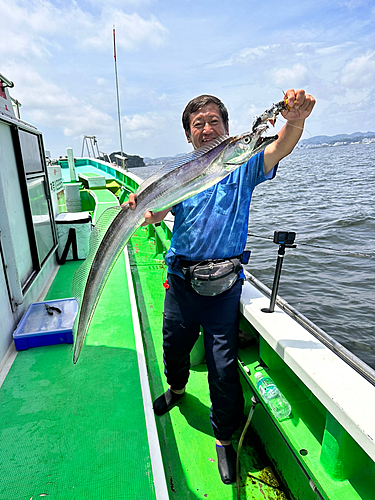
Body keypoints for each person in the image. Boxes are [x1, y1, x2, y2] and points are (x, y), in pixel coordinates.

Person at [128, 89, 315, 484]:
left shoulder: (243, 167)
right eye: (199, 124)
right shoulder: (181, 174)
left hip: (224, 288)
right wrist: (143, 211)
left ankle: (224, 439)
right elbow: (159, 210)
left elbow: (280, 145)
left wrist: (295, 119)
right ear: (189, 134)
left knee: (224, 369)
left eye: (215, 122)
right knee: (173, 347)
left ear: (227, 129)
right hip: (180, 281)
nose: (207, 128)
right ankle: (177, 389)